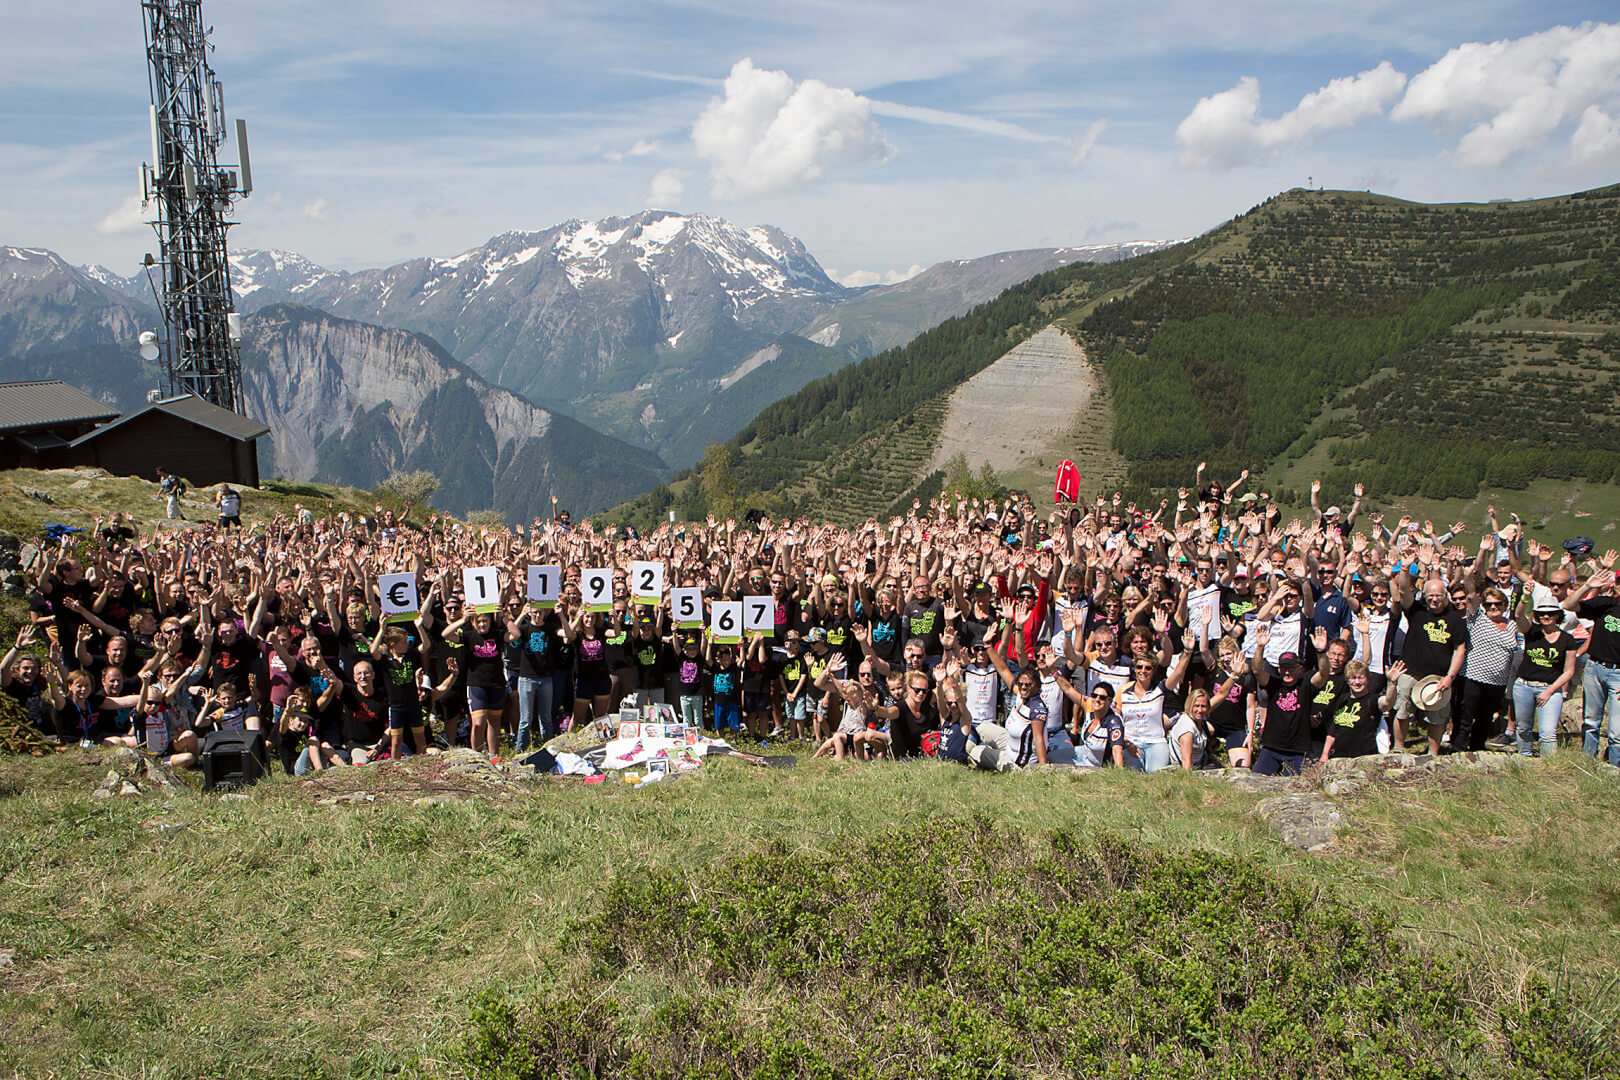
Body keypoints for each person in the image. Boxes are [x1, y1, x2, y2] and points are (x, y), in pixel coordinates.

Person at [1511, 598, 1578, 758]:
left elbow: (1569, 671)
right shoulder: (1532, 631)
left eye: (1550, 613)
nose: (1546, 616)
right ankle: (1524, 758)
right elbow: (1518, 615)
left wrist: (1550, 691)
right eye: (1542, 613)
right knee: (1523, 728)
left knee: (1548, 732)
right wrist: (1525, 598)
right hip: (1524, 686)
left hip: (1550, 688)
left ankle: (1548, 766)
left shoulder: (1567, 639)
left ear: (1557, 615)